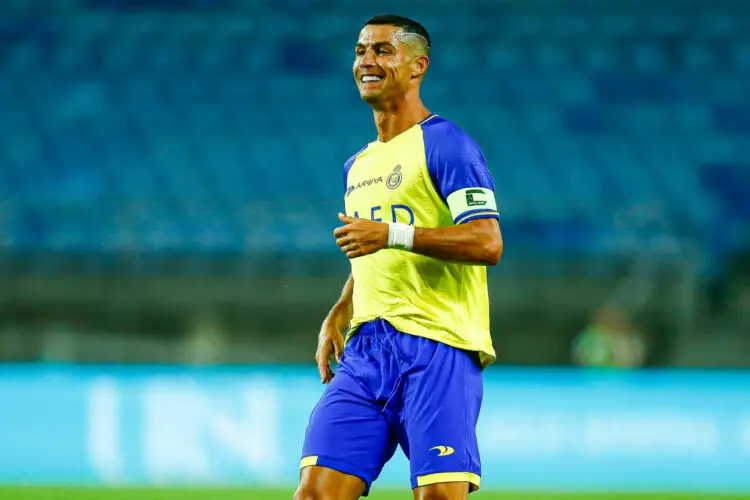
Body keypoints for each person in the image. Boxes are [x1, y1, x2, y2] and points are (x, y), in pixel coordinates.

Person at [295, 14, 503, 500]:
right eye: (361, 50)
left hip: (438, 346)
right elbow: (369, 251)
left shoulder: (447, 144)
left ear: (417, 66)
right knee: (314, 494)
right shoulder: (358, 166)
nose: (367, 60)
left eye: (383, 50)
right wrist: (342, 307)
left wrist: (392, 233)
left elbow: (487, 243)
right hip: (366, 351)